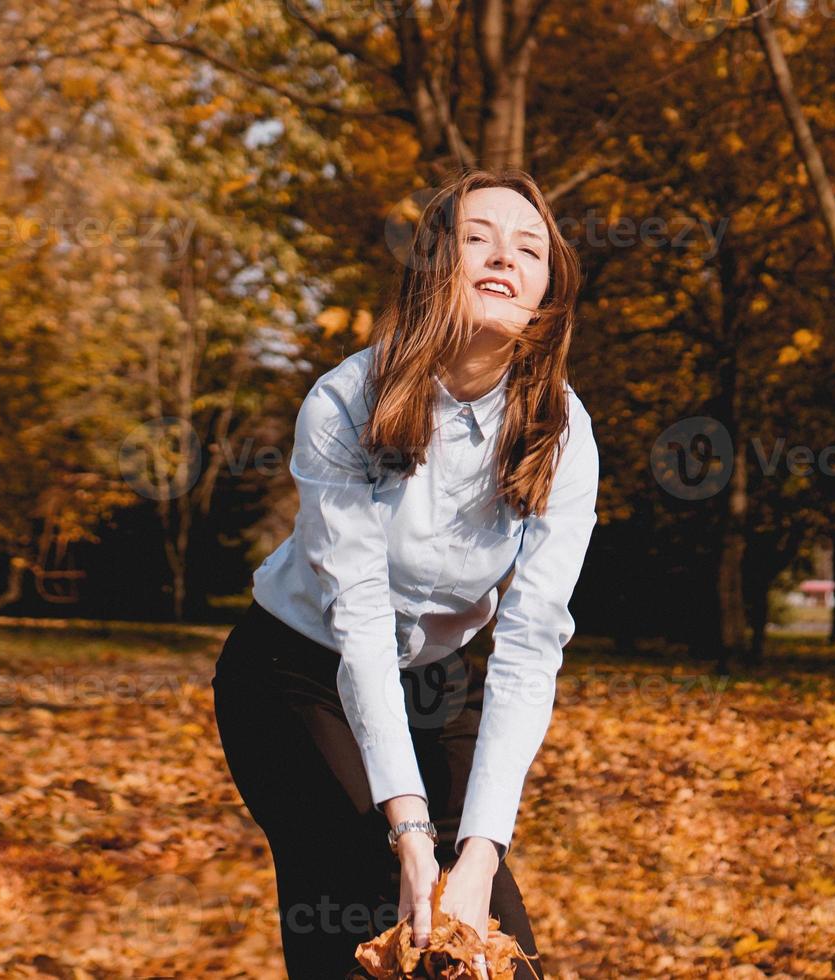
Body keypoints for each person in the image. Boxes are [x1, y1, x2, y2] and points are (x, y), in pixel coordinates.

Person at [211, 168, 600, 979]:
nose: (505, 257)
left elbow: (529, 647)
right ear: (434, 266)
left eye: (529, 249)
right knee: (373, 921)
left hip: (432, 679)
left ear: (546, 294)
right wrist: (410, 836)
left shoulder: (562, 432)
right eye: (477, 239)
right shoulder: (344, 403)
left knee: (494, 950)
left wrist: (482, 852)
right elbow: (357, 623)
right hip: (295, 675)